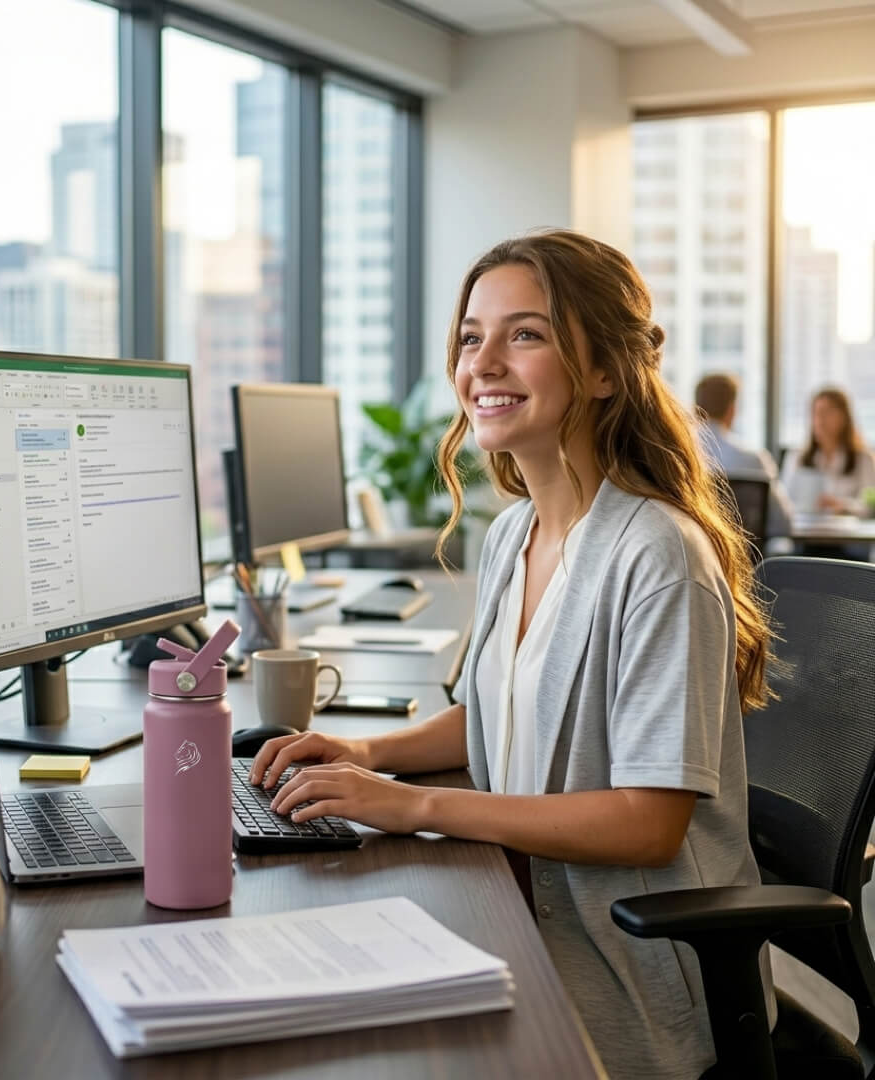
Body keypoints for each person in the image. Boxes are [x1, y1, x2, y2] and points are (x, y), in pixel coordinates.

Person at [250, 230, 775, 1080]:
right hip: (520, 905)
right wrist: (366, 752)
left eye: (524, 334)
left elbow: (649, 821)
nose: (483, 362)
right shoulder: (516, 532)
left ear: (604, 370)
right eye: (470, 336)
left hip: (627, 964)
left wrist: (412, 806)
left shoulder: (656, 554)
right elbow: (496, 709)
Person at [694, 372, 794, 538]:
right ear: (732, 410)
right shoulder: (754, 459)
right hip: (745, 559)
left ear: (695, 408)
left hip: (693, 555)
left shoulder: (676, 457)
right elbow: (783, 525)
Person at [781, 387, 875, 516]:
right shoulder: (797, 457)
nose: (820, 420)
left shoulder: (863, 459)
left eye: (827, 413)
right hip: (804, 530)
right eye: (816, 413)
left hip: (847, 532)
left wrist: (842, 506)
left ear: (844, 418)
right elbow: (783, 503)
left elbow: (869, 505)